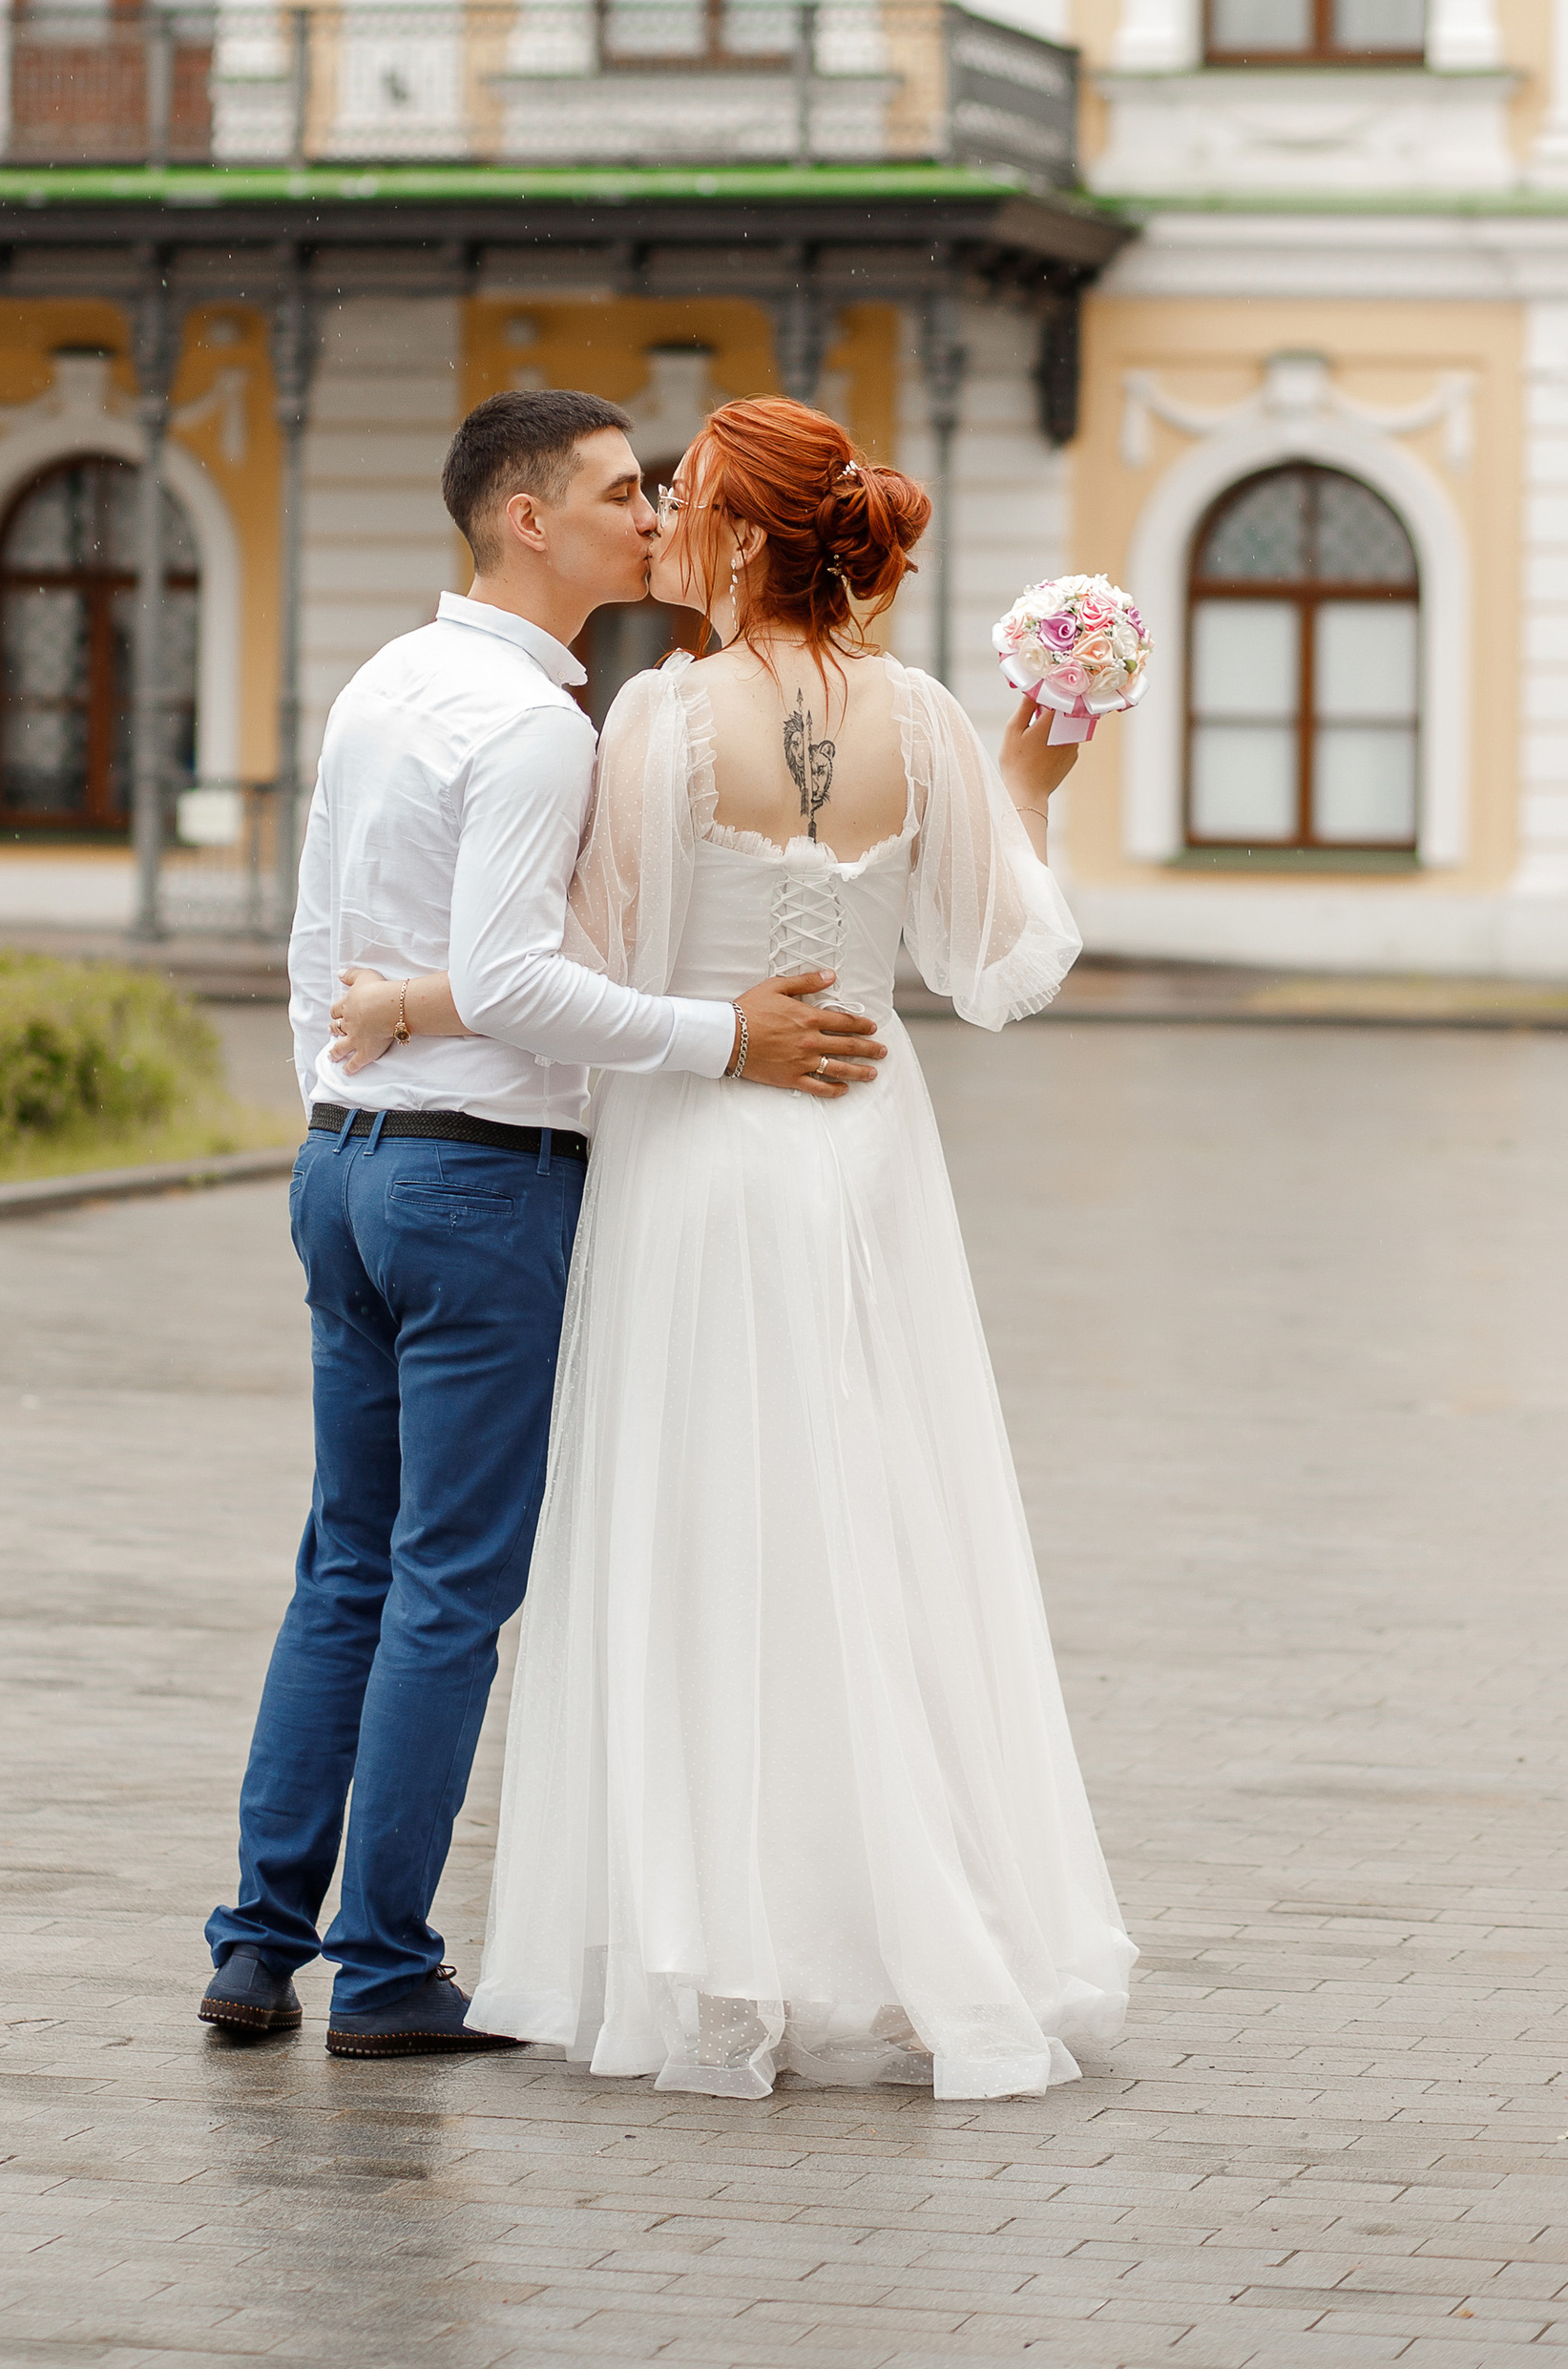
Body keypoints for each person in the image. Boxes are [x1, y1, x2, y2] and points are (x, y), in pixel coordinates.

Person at [325, 396, 1137, 2102]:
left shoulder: (662, 716)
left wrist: (409, 998)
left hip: (699, 1153)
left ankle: (714, 1947)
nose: (662, 522)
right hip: (866, 1146)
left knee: (701, 1538)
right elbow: (999, 964)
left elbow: (583, 964)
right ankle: (919, 1926)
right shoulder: (918, 715)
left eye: (683, 498)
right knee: (875, 1525)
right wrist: (1028, 778)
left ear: (747, 536)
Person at [200, 387, 890, 2061]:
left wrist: (336, 1094)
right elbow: (514, 979)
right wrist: (730, 1036)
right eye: (616, 493)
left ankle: (253, 1946)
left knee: (342, 1565)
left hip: (348, 1165)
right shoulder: (534, 726)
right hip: (478, 1183)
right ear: (529, 521)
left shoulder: (384, 683)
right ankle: (382, 1971)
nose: (651, 517)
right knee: (448, 1584)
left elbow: (320, 947)